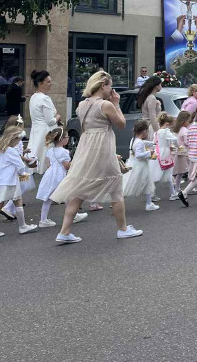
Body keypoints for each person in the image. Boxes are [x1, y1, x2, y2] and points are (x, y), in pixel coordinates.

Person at [51, 71, 142, 244]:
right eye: (109, 86)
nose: (111, 90)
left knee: (79, 188)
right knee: (116, 187)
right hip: (102, 147)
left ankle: (64, 231)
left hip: (86, 147)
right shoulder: (105, 105)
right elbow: (121, 124)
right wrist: (116, 104)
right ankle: (123, 229)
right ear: (102, 85)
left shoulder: (82, 104)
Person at [0, 126, 38, 238]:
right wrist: (23, 173)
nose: (19, 142)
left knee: (0, 204)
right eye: (18, 140)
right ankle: (22, 226)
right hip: (9, 181)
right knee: (16, 201)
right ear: (14, 139)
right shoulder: (11, 151)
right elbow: (20, 166)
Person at [35, 127, 83, 229]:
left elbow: (48, 164)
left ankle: (43, 220)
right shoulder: (64, 152)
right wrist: (74, 163)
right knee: (67, 195)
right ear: (61, 139)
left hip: (50, 175)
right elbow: (66, 166)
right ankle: (74, 216)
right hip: (59, 176)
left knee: (48, 198)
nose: (68, 138)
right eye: (67, 137)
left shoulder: (50, 151)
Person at [27, 70, 61, 175]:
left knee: (36, 149)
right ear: (40, 83)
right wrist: (58, 117)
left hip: (36, 129)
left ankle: (34, 167)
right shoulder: (45, 98)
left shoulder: (34, 97)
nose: (51, 84)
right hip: (46, 131)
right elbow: (50, 121)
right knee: (45, 154)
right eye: (48, 82)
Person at [123, 120, 160, 212]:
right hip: (140, 166)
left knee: (131, 183)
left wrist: (153, 143)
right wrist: (149, 152)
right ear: (144, 131)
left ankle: (149, 203)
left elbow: (143, 143)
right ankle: (148, 204)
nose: (147, 133)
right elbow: (138, 155)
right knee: (142, 183)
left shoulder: (134, 140)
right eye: (147, 131)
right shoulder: (139, 142)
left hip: (132, 164)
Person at [154, 113, 179, 202]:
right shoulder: (165, 131)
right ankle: (172, 194)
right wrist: (175, 145)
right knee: (164, 174)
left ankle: (172, 193)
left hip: (158, 153)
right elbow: (174, 139)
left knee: (163, 174)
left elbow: (156, 143)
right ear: (167, 124)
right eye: (171, 126)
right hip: (165, 154)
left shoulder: (157, 132)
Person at [172, 111, 192, 200]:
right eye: (188, 120)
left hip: (179, 152)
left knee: (179, 172)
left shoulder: (177, 130)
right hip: (184, 153)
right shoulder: (185, 130)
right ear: (184, 121)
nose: (189, 122)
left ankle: (177, 188)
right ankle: (188, 187)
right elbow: (187, 142)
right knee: (186, 171)